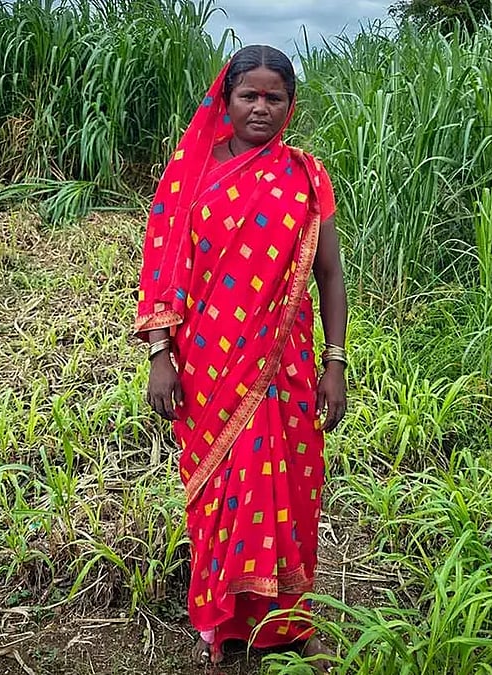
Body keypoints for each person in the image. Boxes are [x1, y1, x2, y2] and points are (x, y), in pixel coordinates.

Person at [134, 45, 348, 670]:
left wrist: (335, 363)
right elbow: (164, 268)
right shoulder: (192, 173)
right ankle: (221, 621)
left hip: (285, 363)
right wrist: (159, 355)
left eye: (273, 97)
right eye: (248, 95)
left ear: (290, 103)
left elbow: (330, 276)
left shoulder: (306, 174)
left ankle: (286, 621)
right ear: (224, 101)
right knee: (219, 491)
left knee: (290, 489)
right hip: (207, 362)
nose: (260, 107)